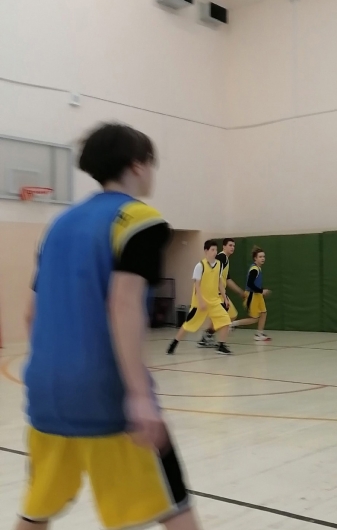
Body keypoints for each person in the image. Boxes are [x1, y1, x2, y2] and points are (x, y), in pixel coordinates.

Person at [17, 123, 201, 530]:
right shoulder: (140, 220)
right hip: (106, 394)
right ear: (137, 165)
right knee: (175, 509)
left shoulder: (58, 225)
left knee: (36, 512)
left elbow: (31, 314)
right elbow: (123, 303)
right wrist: (138, 395)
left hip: (45, 394)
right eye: (152, 163)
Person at [167, 240, 232, 355]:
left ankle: (221, 346)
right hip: (199, 302)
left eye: (216, 250)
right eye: (212, 250)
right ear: (206, 251)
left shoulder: (219, 265)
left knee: (226, 320)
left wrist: (225, 298)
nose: (214, 252)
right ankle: (174, 343)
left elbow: (220, 283)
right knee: (188, 325)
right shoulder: (200, 266)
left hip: (214, 301)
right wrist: (201, 301)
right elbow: (197, 286)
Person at [198, 238, 245, 348]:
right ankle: (212, 338)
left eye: (233, 246)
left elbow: (227, 280)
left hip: (220, 293)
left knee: (230, 315)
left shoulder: (225, 260)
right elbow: (213, 276)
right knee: (228, 316)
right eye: (230, 245)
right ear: (224, 246)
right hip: (217, 293)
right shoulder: (221, 257)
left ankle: (208, 336)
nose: (232, 247)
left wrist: (240, 291)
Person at [229, 246, 271, 342]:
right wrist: (261, 291)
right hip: (252, 295)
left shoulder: (258, 268)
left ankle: (259, 334)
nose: (263, 258)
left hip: (258, 295)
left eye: (263, 256)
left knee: (264, 313)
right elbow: (250, 284)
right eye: (260, 257)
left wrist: (261, 291)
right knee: (255, 318)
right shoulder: (254, 269)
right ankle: (233, 324)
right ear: (255, 258)